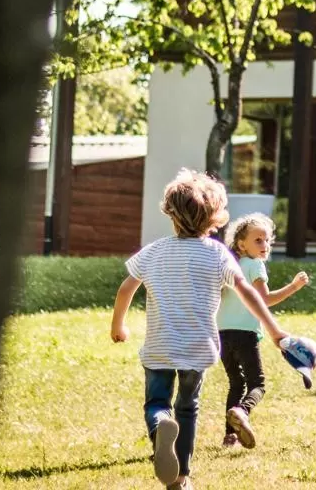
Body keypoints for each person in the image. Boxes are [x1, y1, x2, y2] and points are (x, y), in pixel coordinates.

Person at [110, 170, 288, 490]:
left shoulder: (155, 250)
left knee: (157, 403)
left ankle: (160, 426)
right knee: (187, 408)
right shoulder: (218, 254)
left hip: (160, 345)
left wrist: (119, 325)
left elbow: (126, 289)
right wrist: (274, 330)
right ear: (215, 217)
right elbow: (248, 293)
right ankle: (181, 478)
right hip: (197, 347)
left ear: (170, 212)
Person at [216, 212, 310, 449]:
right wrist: (294, 287)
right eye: (258, 240)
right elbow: (264, 299)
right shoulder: (255, 265)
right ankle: (242, 411)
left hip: (222, 334)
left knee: (236, 383)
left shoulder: (230, 265)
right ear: (241, 244)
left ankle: (230, 436)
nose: (264, 245)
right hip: (245, 334)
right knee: (257, 384)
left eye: (267, 240)